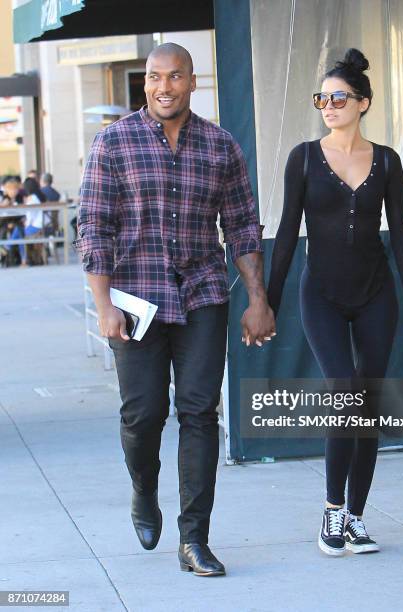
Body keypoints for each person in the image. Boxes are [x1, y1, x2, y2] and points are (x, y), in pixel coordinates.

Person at [75, 43, 275, 576]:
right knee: (143, 415)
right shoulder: (112, 143)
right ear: (145, 83)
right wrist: (103, 306)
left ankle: (194, 539)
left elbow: (242, 225)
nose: (164, 86)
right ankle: (144, 490)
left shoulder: (219, 146)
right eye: (154, 76)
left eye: (176, 76)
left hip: (203, 295)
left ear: (193, 82)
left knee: (199, 412)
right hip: (134, 301)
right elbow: (94, 227)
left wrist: (257, 298)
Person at [267, 48, 403, 557]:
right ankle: (331, 512)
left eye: (339, 97)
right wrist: (267, 303)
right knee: (345, 392)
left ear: (363, 103)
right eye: (323, 97)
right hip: (320, 292)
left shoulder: (387, 160)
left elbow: (402, 236)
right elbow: (285, 233)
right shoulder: (302, 157)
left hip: (376, 294)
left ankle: (357, 518)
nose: (329, 105)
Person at [10, 177, 46, 265]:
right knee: (19, 231)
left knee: (19, 232)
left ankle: (21, 258)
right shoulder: (37, 197)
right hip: (39, 225)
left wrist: (26, 224)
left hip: (35, 227)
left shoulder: (32, 198)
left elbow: (30, 216)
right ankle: (22, 259)